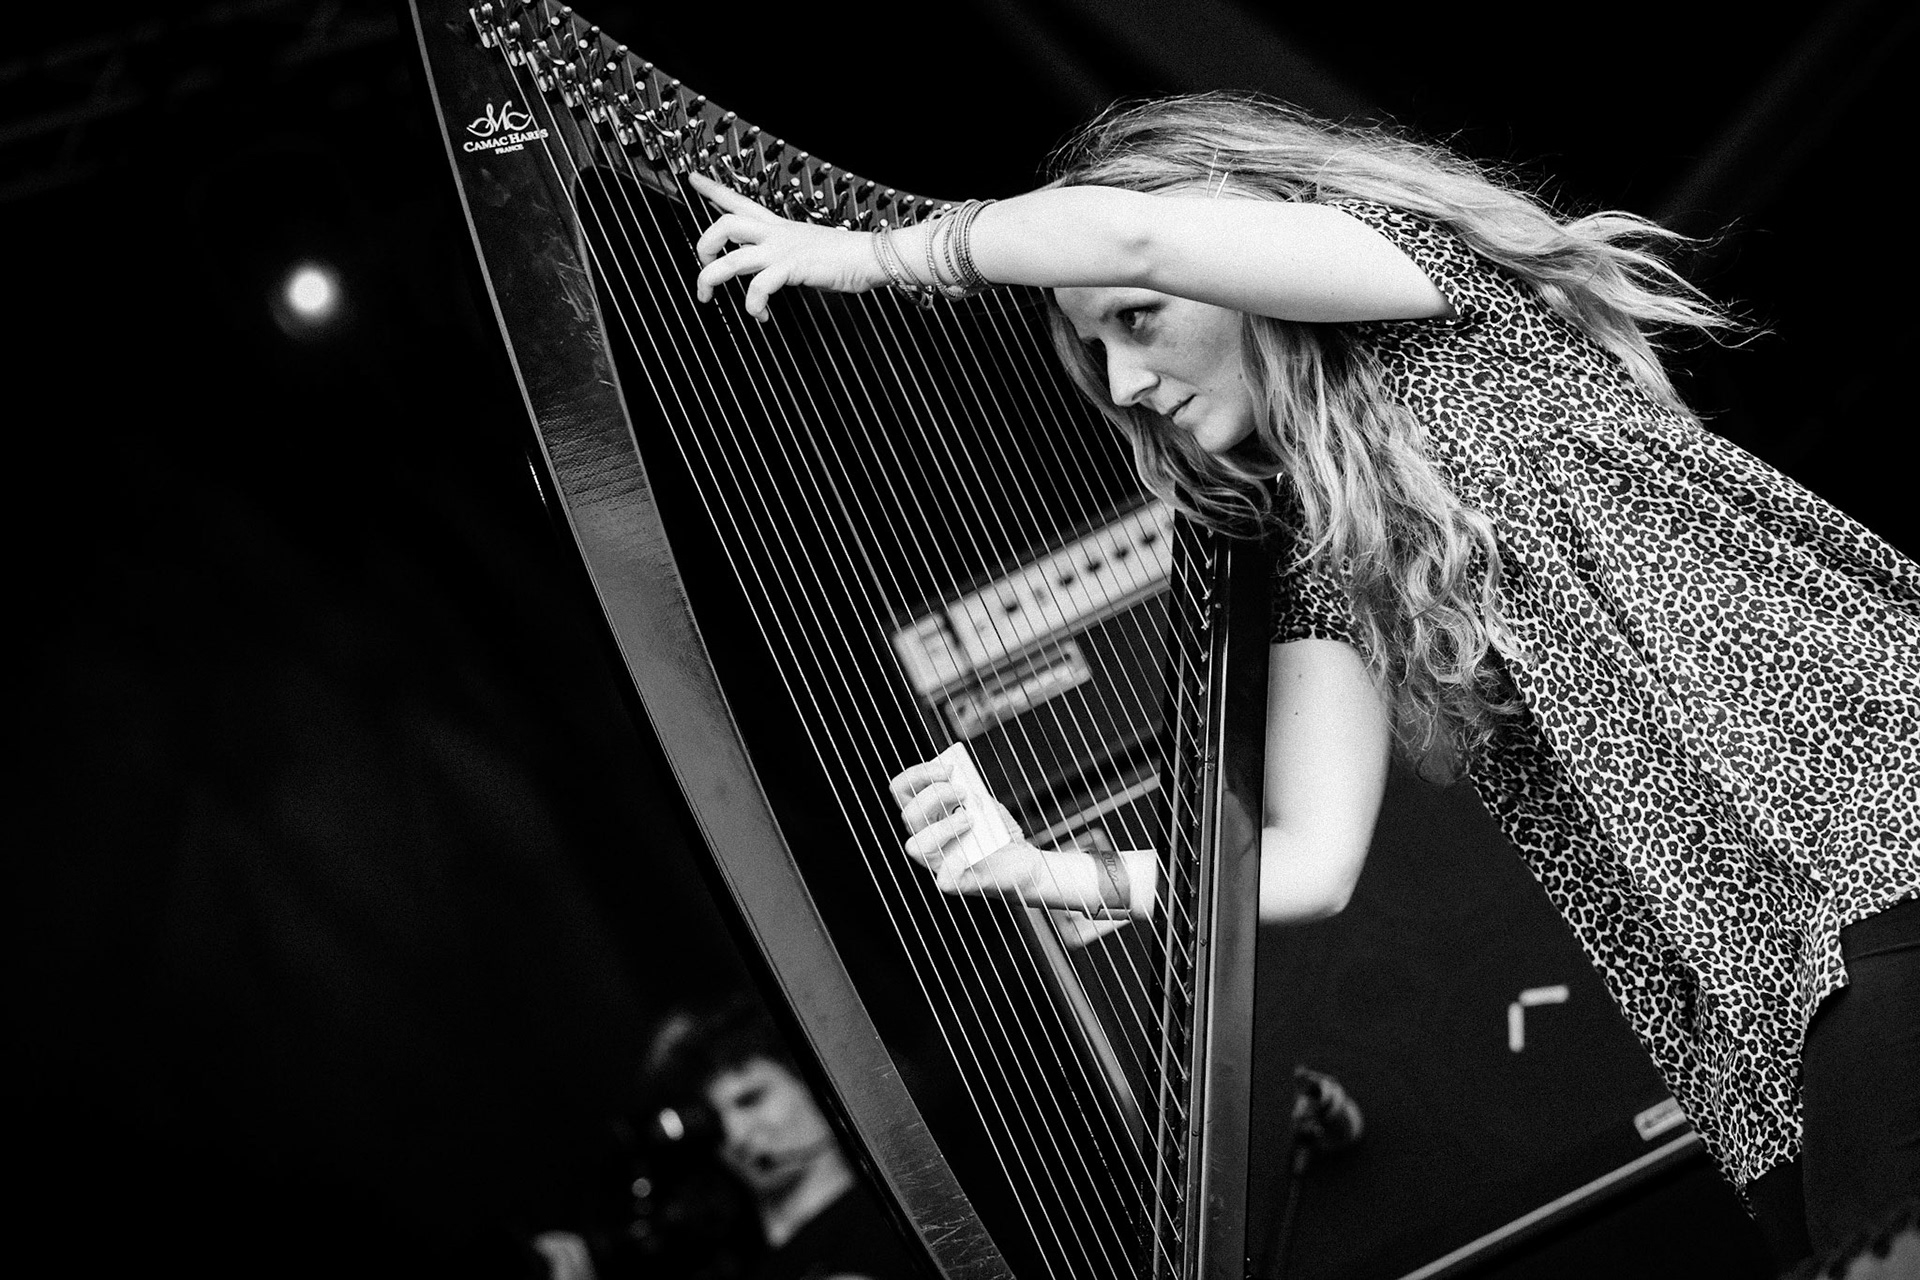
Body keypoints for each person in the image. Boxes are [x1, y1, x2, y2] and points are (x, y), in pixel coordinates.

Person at [686, 91, 1920, 1265]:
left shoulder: (1424, 280)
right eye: (1093, 346)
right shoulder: (1330, 546)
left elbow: (1132, 226)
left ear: (1232, 243)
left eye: (1136, 318)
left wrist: (874, 256)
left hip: (1868, 832)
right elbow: (1313, 856)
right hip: (1745, 1007)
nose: (1123, 384)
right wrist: (1057, 869)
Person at [646, 1000, 923, 1280]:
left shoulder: (901, 1221)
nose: (735, 1135)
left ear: (820, 1090)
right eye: (715, 1120)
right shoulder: (734, 1264)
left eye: (751, 1099)